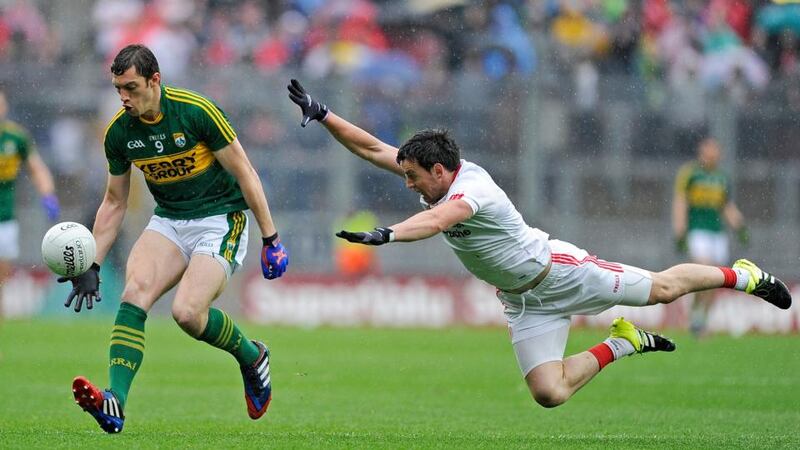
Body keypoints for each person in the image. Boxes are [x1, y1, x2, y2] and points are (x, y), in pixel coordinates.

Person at [287, 79, 791, 408]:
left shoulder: (470, 191)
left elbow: (440, 221)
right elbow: (373, 146)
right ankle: (623, 342)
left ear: (440, 170)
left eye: (414, 177)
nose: (409, 185)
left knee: (661, 290)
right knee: (549, 393)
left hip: (562, 271)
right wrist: (324, 113)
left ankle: (742, 275)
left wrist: (388, 233)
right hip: (524, 302)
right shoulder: (434, 175)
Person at [62, 44, 289, 433]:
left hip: (220, 219)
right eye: (118, 89)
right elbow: (115, 201)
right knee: (134, 293)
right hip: (169, 220)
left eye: (131, 88)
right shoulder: (119, 132)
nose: (124, 98)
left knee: (187, 313)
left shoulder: (195, 111)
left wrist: (272, 238)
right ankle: (115, 400)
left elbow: (245, 172)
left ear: (155, 80)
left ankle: (252, 356)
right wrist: (93, 261)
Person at [673, 138, 748, 337]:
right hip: (697, 231)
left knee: (714, 281)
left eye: (715, 151)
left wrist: (739, 226)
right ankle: (696, 318)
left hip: (717, 233)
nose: (712, 155)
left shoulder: (722, 177)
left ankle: (700, 320)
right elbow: (681, 202)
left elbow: (726, 206)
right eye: (708, 150)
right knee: (704, 272)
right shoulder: (691, 173)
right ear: (701, 152)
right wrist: (680, 231)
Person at [0, 87, 60, 320]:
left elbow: (36, 168)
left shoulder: (16, 138)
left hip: (5, 217)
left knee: (2, 276)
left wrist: (48, 195)